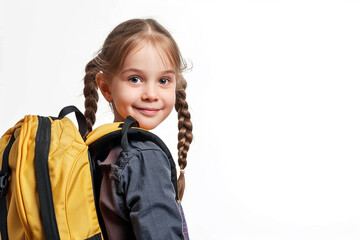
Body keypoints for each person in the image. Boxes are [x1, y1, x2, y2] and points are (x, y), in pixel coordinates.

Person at [82, 18, 192, 239]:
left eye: (163, 80)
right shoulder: (144, 157)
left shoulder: (101, 148)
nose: (151, 94)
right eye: (135, 79)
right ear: (105, 87)